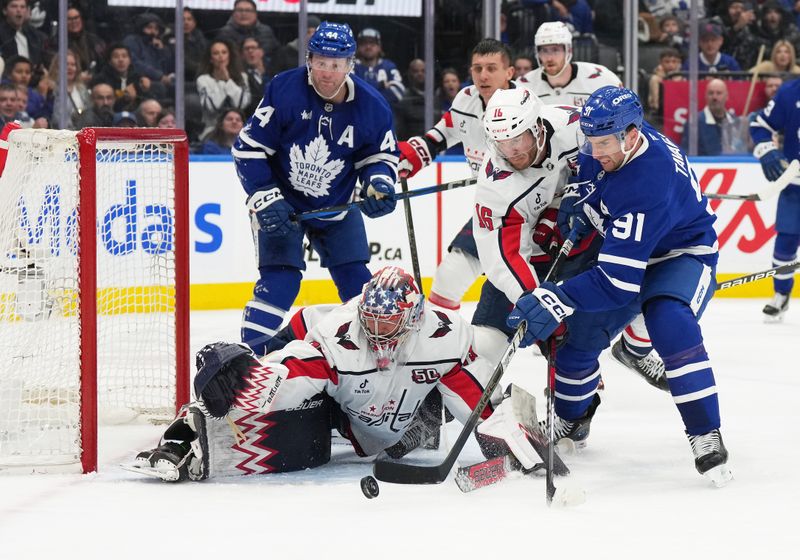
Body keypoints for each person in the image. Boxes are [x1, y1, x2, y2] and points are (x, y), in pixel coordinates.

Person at [506, 86, 733, 487]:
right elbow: (590, 177)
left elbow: (616, 283)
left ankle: (704, 432)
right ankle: (572, 419)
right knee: (578, 344)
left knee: (669, 321)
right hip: (632, 252)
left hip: (680, 255)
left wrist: (556, 296)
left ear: (631, 133)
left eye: (605, 143)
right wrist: (580, 199)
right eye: (590, 142)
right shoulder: (604, 144)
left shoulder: (650, 179)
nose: (596, 152)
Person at [129, 266, 497, 481]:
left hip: (395, 403)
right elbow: (290, 375)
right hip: (325, 371)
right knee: (302, 421)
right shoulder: (337, 338)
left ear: (413, 319)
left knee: (445, 399)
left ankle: (426, 419)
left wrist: (503, 442)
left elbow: (472, 399)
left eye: (388, 324)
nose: (376, 332)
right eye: (370, 320)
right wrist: (247, 382)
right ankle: (184, 439)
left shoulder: (445, 336)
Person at [231, 21, 398, 356]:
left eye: (336, 64)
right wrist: (263, 196)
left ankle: (375, 358)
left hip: (337, 206)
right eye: (320, 62)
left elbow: (379, 157)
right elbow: (247, 149)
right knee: (281, 281)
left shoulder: (373, 106)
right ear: (309, 60)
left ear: (351, 65)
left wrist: (378, 183)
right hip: (283, 205)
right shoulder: (285, 89)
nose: (327, 72)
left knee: (357, 283)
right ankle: (248, 363)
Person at [397, 38, 515, 312]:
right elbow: (442, 134)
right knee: (449, 279)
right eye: (477, 68)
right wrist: (413, 156)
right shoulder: (465, 99)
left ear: (509, 73)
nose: (483, 76)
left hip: (531, 215)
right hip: (491, 212)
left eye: (491, 68)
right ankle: (441, 345)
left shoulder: (526, 106)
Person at [750, 78, 800, 320]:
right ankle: (781, 294)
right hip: (796, 186)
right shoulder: (790, 92)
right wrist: (766, 149)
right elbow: (760, 124)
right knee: (786, 243)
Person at [517, 21, 621, 107]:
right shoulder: (524, 85)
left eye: (555, 50)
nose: (549, 58)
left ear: (569, 50)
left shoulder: (601, 78)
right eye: (544, 50)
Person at [196, 39, 250, 140]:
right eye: (216, 53)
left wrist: (228, 80)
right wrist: (221, 82)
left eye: (224, 52)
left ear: (229, 56)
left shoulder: (243, 77)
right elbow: (213, 107)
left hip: (238, 129)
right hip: (212, 129)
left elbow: (240, 104)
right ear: (211, 59)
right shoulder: (203, 80)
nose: (221, 56)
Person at [681, 78, 746, 155]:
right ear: (706, 96)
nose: (714, 97)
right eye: (711, 93)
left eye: (719, 93)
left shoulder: (735, 121)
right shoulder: (694, 123)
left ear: (727, 96)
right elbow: (687, 154)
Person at [353, 28, 404, 106]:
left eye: (372, 43)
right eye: (364, 43)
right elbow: (347, 92)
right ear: (358, 47)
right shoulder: (350, 66)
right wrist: (381, 85)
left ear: (379, 47)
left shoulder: (389, 67)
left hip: (383, 116)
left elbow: (398, 92)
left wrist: (362, 91)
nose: (368, 47)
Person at [45, 48, 89, 128]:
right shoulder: (50, 88)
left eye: (73, 65)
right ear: (57, 68)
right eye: (66, 64)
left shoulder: (82, 90)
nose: (70, 68)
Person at [0, 0, 48, 68]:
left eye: (22, 7)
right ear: (5, 10)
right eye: (14, 6)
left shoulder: (36, 36)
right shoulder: (2, 35)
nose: (19, 10)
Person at [392, 58, 425, 141]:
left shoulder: (435, 97)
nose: (420, 74)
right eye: (416, 71)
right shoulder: (403, 98)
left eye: (423, 71)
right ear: (410, 74)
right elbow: (400, 129)